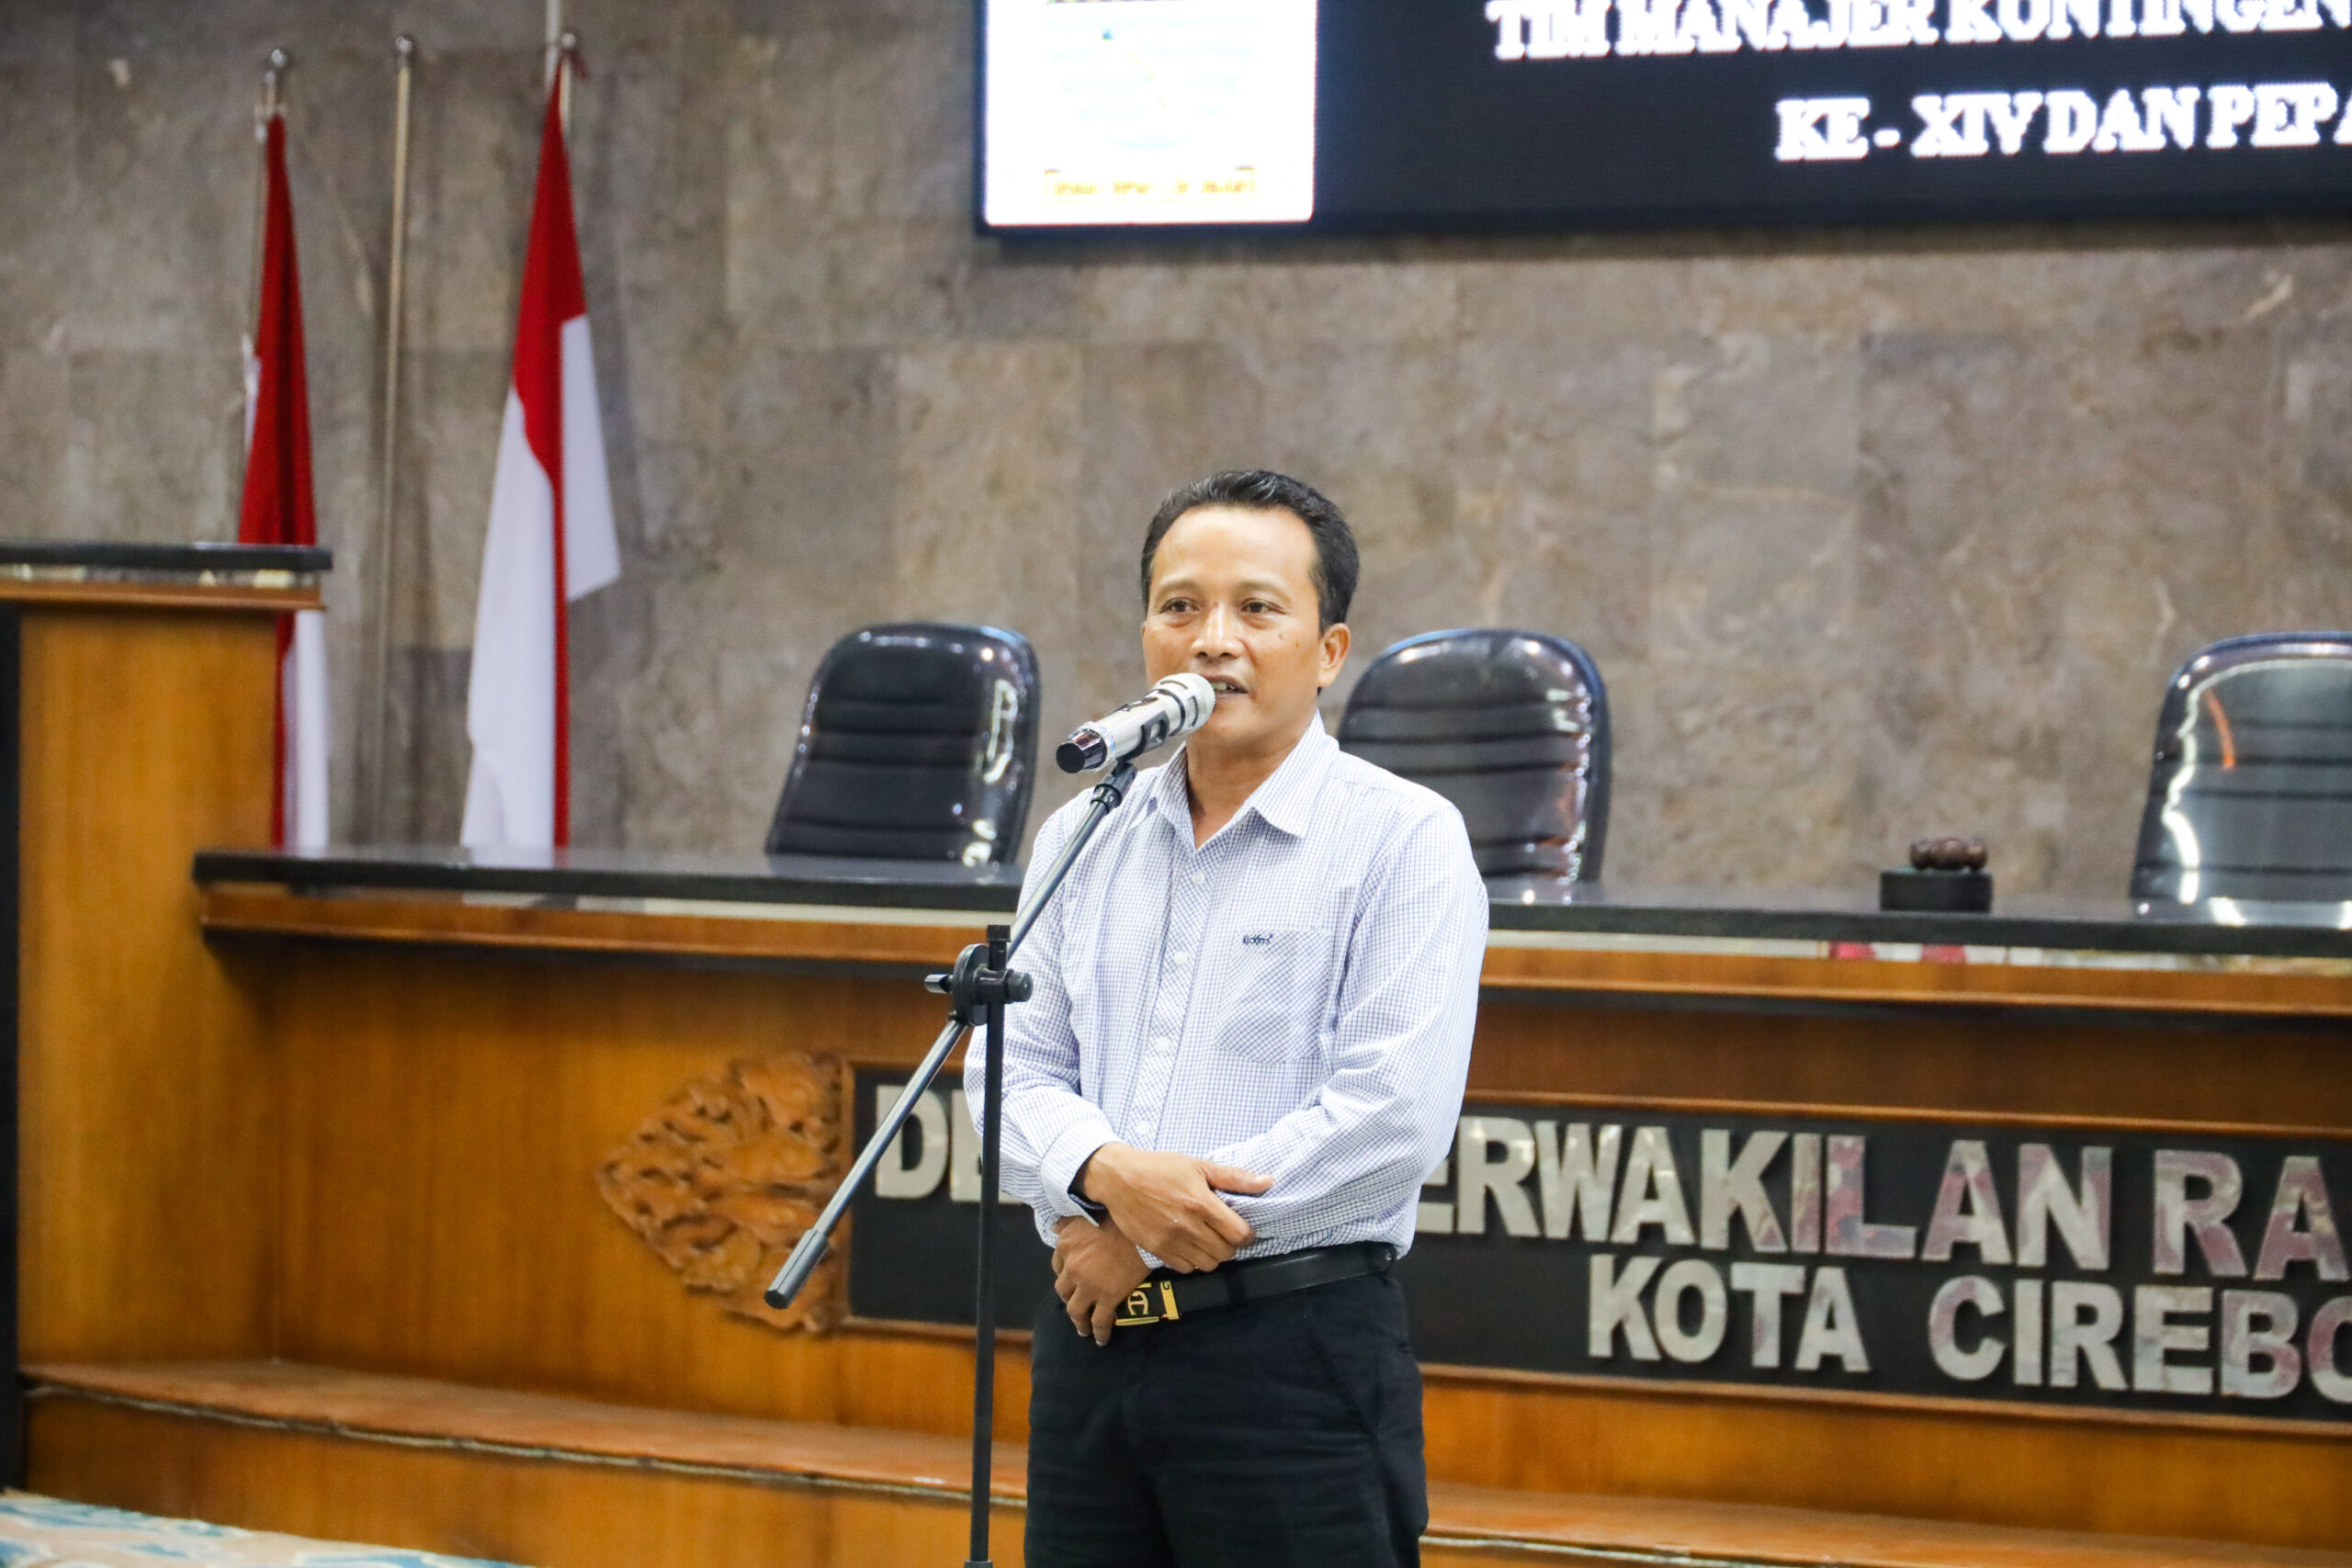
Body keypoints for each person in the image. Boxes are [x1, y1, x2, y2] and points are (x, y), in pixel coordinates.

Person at [967, 469, 1488, 1567]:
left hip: (1291, 1360)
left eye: (1256, 608)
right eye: (1179, 606)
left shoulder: (1402, 837)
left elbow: (1388, 1116)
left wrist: (1143, 1237)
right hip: (1090, 1347)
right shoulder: (1081, 834)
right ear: (1146, 635)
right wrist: (1104, 1175)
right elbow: (1007, 1068)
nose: (1212, 641)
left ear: (1328, 650)